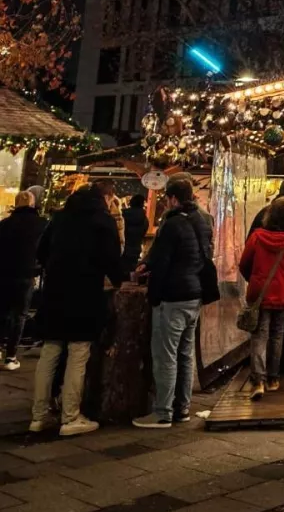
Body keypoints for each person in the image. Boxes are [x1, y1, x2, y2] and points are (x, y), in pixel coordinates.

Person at [32, 184, 125, 436]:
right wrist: (120, 280)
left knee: (50, 352)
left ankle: (39, 415)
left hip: (54, 293)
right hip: (84, 294)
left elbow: (41, 252)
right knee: (78, 352)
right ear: (103, 198)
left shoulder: (59, 218)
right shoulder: (101, 221)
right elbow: (111, 259)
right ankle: (70, 416)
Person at [133, 175, 207, 428]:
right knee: (185, 355)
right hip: (194, 293)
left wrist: (152, 288)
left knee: (166, 355)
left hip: (173, 295)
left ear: (173, 198)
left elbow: (162, 262)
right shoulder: (203, 220)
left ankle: (163, 412)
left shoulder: (172, 224)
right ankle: (182, 408)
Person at [239, 195, 284, 400]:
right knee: (277, 334)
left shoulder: (257, 236)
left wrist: (254, 281)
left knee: (259, 335)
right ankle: (273, 378)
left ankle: (257, 380)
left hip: (259, 294)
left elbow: (244, 264)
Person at [0, 191, 47, 370]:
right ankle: (11, 356)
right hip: (27, 274)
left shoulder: (4, 224)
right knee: (19, 315)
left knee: (2, 312)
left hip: (3, 273)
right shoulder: (42, 224)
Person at [122, 192, 149, 272]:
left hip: (122, 248)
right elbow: (143, 232)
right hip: (136, 248)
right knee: (131, 273)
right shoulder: (144, 219)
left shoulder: (123, 215)